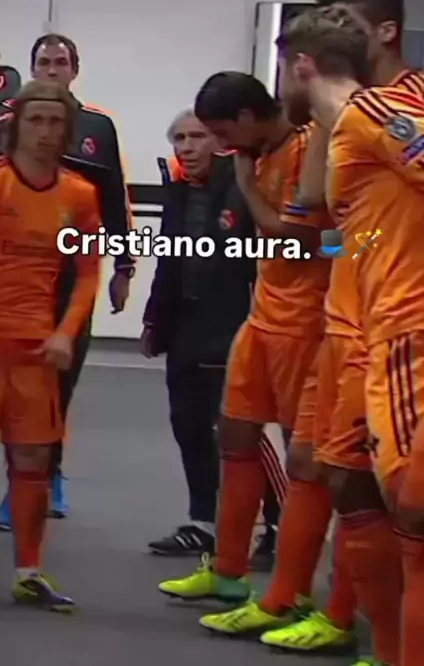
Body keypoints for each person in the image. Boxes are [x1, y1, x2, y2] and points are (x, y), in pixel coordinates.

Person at [192, 0, 414, 666]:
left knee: (405, 506)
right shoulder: (341, 124)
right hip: (344, 326)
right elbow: (326, 218)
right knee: (339, 482)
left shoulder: (390, 110)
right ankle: (325, 614)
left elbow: (307, 237)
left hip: (393, 334)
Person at [275, 2, 424, 666]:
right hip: (369, 326)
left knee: (414, 513)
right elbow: (347, 227)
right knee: (355, 487)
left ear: (301, 65)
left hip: (409, 331)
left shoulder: (375, 112)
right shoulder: (346, 130)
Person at [158, 72, 330, 606]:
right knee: (234, 434)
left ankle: (292, 592)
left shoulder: (307, 149)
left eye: (221, 131)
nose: (219, 143)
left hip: (305, 320)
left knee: (302, 458)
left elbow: (296, 239)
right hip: (263, 314)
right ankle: (227, 570)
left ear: (249, 118)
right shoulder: (259, 153)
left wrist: (248, 185)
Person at [0, 79, 101, 609]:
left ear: (68, 129)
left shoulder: (80, 194)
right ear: (17, 125)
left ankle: (29, 572)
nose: (45, 131)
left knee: (34, 456)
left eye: (55, 122)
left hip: (35, 345)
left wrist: (64, 333)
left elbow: (87, 274)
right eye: (35, 120)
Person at [0, 33, 134, 527]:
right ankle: (19, 481)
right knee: (12, 386)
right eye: (44, 61)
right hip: (14, 276)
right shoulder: (4, 123)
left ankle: (48, 476)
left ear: (75, 70)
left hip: (72, 276)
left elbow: (114, 200)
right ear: (32, 68)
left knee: (59, 380)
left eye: (61, 62)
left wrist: (124, 268)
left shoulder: (98, 127)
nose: (52, 69)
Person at [142, 109, 284, 565]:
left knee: (240, 432)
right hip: (185, 326)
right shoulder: (179, 191)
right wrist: (153, 321)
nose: (187, 147)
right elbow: (168, 259)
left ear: (220, 142)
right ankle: (202, 521)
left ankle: (276, 526)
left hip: (234, 326)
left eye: (197, 137)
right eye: (180, 138)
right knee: (187, 425)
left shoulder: (243, 187)